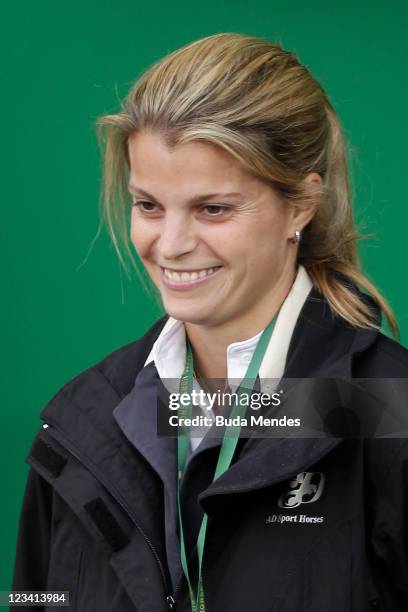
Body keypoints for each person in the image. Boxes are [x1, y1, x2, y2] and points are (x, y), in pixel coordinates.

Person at [12, 32, 408, 612]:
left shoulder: (387, 413)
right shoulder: (81, 419)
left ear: (299, 204)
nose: (170, 245)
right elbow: (33, 597)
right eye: (148, 205)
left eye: (213, 208)